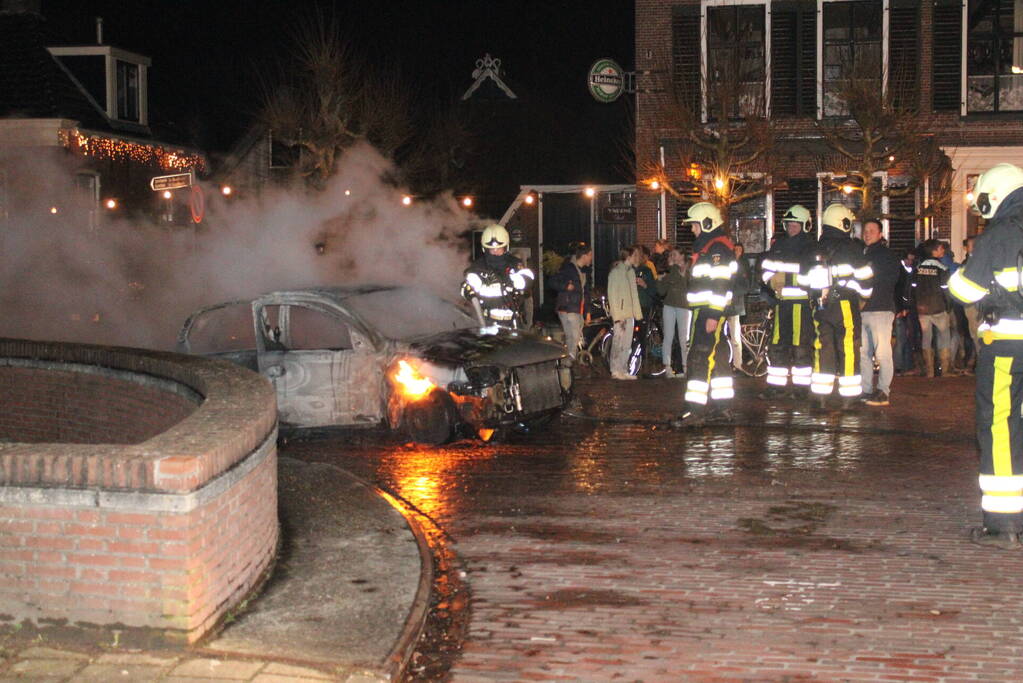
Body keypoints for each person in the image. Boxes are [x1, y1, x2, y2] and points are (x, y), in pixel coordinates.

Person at [946, 162, 1023, 549]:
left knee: (999, 429)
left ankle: (1003, 525)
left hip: (1007, 345)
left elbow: (965, 292)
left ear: (994, 197)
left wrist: (954, 277)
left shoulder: (1000, 234)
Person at [803, 203, 874, 409]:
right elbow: (866, 280)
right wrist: (863, 299)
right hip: (845, 304)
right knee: (848, 347)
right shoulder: (852, 248)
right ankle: (848, 399)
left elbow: (803, 281)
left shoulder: (813, 249)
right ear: (843, 223)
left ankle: (821, 397)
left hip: (820, 307)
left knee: (822, 347)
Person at [673, 203, 737, 426]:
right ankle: (722, 408)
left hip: (708, 312)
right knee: (718, 358)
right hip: (707, 311)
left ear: (707, 223)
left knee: (699, 358)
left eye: (695, 225)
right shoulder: (710, 247)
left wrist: (712, 315)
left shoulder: (716, 248)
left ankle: (694, 411)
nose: (692, 229)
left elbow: (721, 283)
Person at [760, 204, 816, 396]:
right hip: (781, 304)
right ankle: (776, 386)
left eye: (795, 224)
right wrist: (772, 280)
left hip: (802, 304)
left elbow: (816, 276)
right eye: (789, 224)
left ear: (805, 225)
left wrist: (789, 278)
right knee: (777, 345)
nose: (791, 228)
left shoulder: (811, 248)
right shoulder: (779, 246)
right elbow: (765, 269)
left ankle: (801, 388)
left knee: (801, 347)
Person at [859, 218, 902, 406]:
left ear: (880, 234)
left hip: (880, 309)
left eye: (871, 230)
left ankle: (883, 391)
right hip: (864, 310)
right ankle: (866, 389)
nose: (867, 234)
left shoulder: (886, 256)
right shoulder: (863, 254)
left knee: (882, 353)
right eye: (865, 231)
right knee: (864, 353)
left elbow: (889, 280)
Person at [461, 224, 534, 328]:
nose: (495, 252)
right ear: (485, 249)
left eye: (499, 248)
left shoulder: (514, 263)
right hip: (489, 323)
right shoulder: (478, 267)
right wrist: (467, 288)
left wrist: (521, 281)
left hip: (514, 322)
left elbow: (528, 277)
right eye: (492, 249)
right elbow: (467, 286)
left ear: (506, 247)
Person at [912, 239, 952, 377]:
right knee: (944, 336)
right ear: (934, 251)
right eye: (940, 248)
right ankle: (945, 370)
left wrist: (913, 304)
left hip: (922, 308)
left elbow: (912, 288)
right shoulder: (942, 268)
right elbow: (945, 289)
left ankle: (929, 371)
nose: (943, 250)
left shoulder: (918, 268)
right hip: (938, 307)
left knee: (926, 337)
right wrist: (948, 305)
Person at [549, 242, 592, 363]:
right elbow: (552, 281)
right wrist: (565, 286)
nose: (591, 258)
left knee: (572, 339)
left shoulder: (583, 271)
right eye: (590, 255)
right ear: (584, 255)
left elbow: (585, 293)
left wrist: (587, 312)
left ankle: (567, 364)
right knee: (573, 338)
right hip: (568, 309)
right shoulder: (568, 268)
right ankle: (567, 365)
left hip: (577, 309)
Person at [607, 245, 644, 380]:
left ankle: (623, 369)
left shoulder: (631, 272)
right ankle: (615, 369)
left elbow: (634, 295)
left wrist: (637, 314)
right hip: (621, 315)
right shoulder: (616, 272)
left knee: (627, 344)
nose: (637, 258)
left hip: (630, 314)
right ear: (628, 257)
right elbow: (612, 295)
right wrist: (617, 316)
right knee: (618, 343)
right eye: (635, 255)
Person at [656, 247, 689, 378]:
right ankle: (668, 367)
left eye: (674, 254)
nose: (672, 257)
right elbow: (661, 291)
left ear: (682, 255)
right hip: (670, 305)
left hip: (683, 306)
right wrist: (660, 279)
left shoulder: (688, 269)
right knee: (669, 336)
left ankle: (685, 367)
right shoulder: (672, 271)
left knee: (683, 337)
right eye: (671, 255)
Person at [727, 243, 752, 371]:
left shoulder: (742, 265)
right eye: (735, 249)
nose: (737, 252)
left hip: (735, 305)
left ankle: (738, 363)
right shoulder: (727, 264)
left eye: (739, 250)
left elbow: (745, 286)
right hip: (724, 305)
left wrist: (733, 294)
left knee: (735, 336)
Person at [893, 249, 918, 374]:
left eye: (912, 260)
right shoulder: (900, 271)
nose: (910, 262)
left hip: (907, 309)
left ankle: (906, 366)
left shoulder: (910, 271)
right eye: (909, 259)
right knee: (901, 339)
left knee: (906, 339)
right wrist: (900, 309)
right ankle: (898, 366)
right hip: (901, 310)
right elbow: (897, 292)